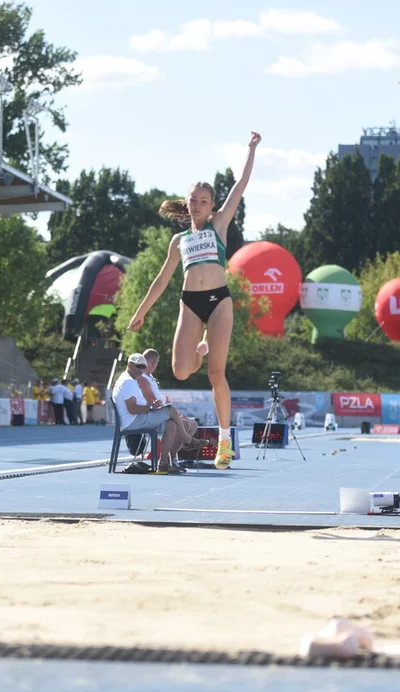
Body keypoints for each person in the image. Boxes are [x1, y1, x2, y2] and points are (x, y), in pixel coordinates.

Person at [127, 131, 261, 470]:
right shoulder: (178, 240)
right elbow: (161, 280)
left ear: (212, 205)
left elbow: (240, 185)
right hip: (189, 302)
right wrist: (140, 313)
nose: (198, 204)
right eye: (193, 200)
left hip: (218, 301)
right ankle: (201, 348)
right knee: (182, 371)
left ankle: (226, 444)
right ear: (186, 204)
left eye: (203, 200)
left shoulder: (218, 225)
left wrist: (250, 149)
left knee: (217, 373)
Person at [113, 354, 182, 474]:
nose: (141, 369)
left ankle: (163, 464)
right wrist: (150, 407)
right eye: (138, 366)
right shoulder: (128, 382)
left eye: (143, 367)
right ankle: (188, 439)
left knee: (171, 425)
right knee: (171, 410)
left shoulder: (131, 380)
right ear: (129, 365)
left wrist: (151, 407)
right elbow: (133, 409)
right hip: (133, 421)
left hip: (136, 419)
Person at [141, 348, 205, 464]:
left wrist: (176, 415)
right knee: (183, 424)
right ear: (153, 363)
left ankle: (173, 457)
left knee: (193, 424)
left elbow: (160, 402)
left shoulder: (151, 378)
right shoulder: (142, 379)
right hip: (151, 415)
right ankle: (171, 458)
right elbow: (153, 402)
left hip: (161, 412)